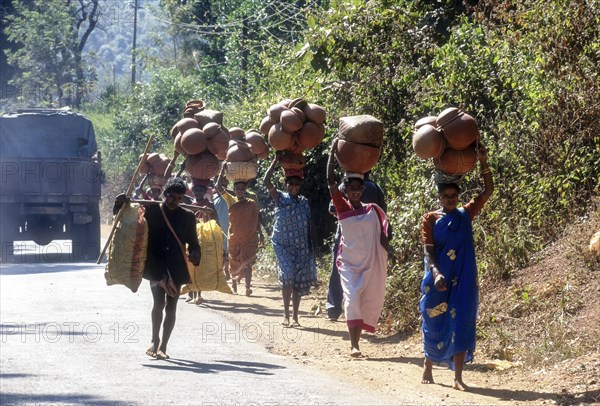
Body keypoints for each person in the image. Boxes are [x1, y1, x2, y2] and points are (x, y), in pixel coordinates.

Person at [420, 145, 493, 391]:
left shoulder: (465, 214)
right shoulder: (431, 219)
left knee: (461, 320)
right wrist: (436, 272)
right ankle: (428, 363)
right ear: (439, 198)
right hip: (438, 277)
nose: (450, 199)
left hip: (463, 280)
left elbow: (488, 190)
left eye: (454, 195)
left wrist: (483, 162)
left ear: (458, 196)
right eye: (446, 196)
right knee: (435, 319)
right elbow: (428, 251)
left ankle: (458, 377)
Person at [114, 177, 200, 360]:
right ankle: (154, 340)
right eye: (171, 196)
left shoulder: (188, 217)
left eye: (179, 198)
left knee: (172, 307)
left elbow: (194, 243)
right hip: (155, 266)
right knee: (158, 303)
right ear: (164, 194)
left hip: (177, 268)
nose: (174, 201)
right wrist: (119, 203)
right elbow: (126, 221)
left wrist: (195, 253)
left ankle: (163, 346)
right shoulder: (151, 212)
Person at [326, 139, 392, 357]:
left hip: (369, 263)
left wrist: (389, 252)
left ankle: (357, 341)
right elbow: (330, 182)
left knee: (363, 301)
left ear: (363, 189)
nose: (355, 191)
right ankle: (354, 344)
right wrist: (332, 153)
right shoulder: (342, 207)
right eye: (351, 188)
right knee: (352, 298)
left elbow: (381, 236)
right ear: (346, 190)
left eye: (358, 188)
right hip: (348, 264)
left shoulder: (371, 210)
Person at [264, 154, 317, 327]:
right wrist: (274, 162)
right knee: (287, 277)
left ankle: (295, 317)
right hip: (282, 245)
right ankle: (286, 315)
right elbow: (266, 181)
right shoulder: (280, 198)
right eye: (290, 183)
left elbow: (310, 225)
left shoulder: (305, 202)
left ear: (300, 185)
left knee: (298, 281)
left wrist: (311, 248)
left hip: (302, 247)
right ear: (286, 184)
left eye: (297, 183)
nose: (293, 186)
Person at [326, 171, 388, 321]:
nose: (355, 191)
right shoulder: (374, 188)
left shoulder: (346, 185)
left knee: (339, 271)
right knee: (367, 274)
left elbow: (332, 209)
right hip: (365, 240)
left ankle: (335, 309)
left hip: (347, 238)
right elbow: (384, 214)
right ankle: (363, 313)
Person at [215, 166, 264, 295]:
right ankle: (235, 287)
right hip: (234, 238)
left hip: (249, 238)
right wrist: (222, 170)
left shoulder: (251, 203)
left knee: (248, 263)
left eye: (242, 189)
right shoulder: (231, 201)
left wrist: (261, 235)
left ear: (245, 189)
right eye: (237, 189)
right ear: (234, 190)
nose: (240, 191)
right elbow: (218, 187)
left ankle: (248, 287)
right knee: (234, 262)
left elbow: (256, 220)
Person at [186, 179, 218, 305]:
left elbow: (215, 220)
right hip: (190, 239)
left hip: (204, 239)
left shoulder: (209, 205)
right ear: (193, 192)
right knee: (191, 266)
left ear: (205, 191)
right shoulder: (190, 204)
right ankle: (192, 292)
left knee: (200, 266)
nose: (198, 192)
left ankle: (198, 294)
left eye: (200, 190)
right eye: (196, 190)